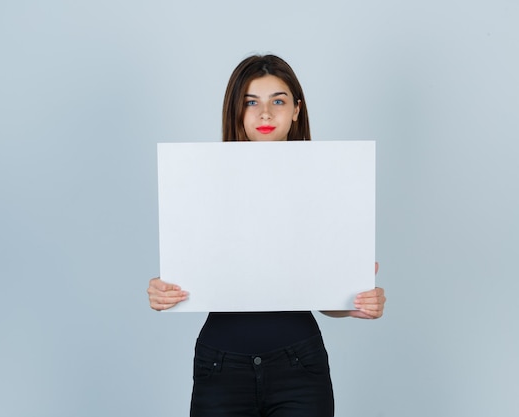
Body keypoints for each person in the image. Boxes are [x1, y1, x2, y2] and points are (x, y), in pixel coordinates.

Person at [147, 54, 386, 417]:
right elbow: (192, 273)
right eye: (251, 102)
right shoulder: (200, 180)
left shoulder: (327, 183)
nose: (265, 114)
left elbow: (323, 299)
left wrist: (353, 300)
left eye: (278, 100)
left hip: (299, 365)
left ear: (296, 110)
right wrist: (163, 291)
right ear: (237, 112)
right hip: (221, 365)